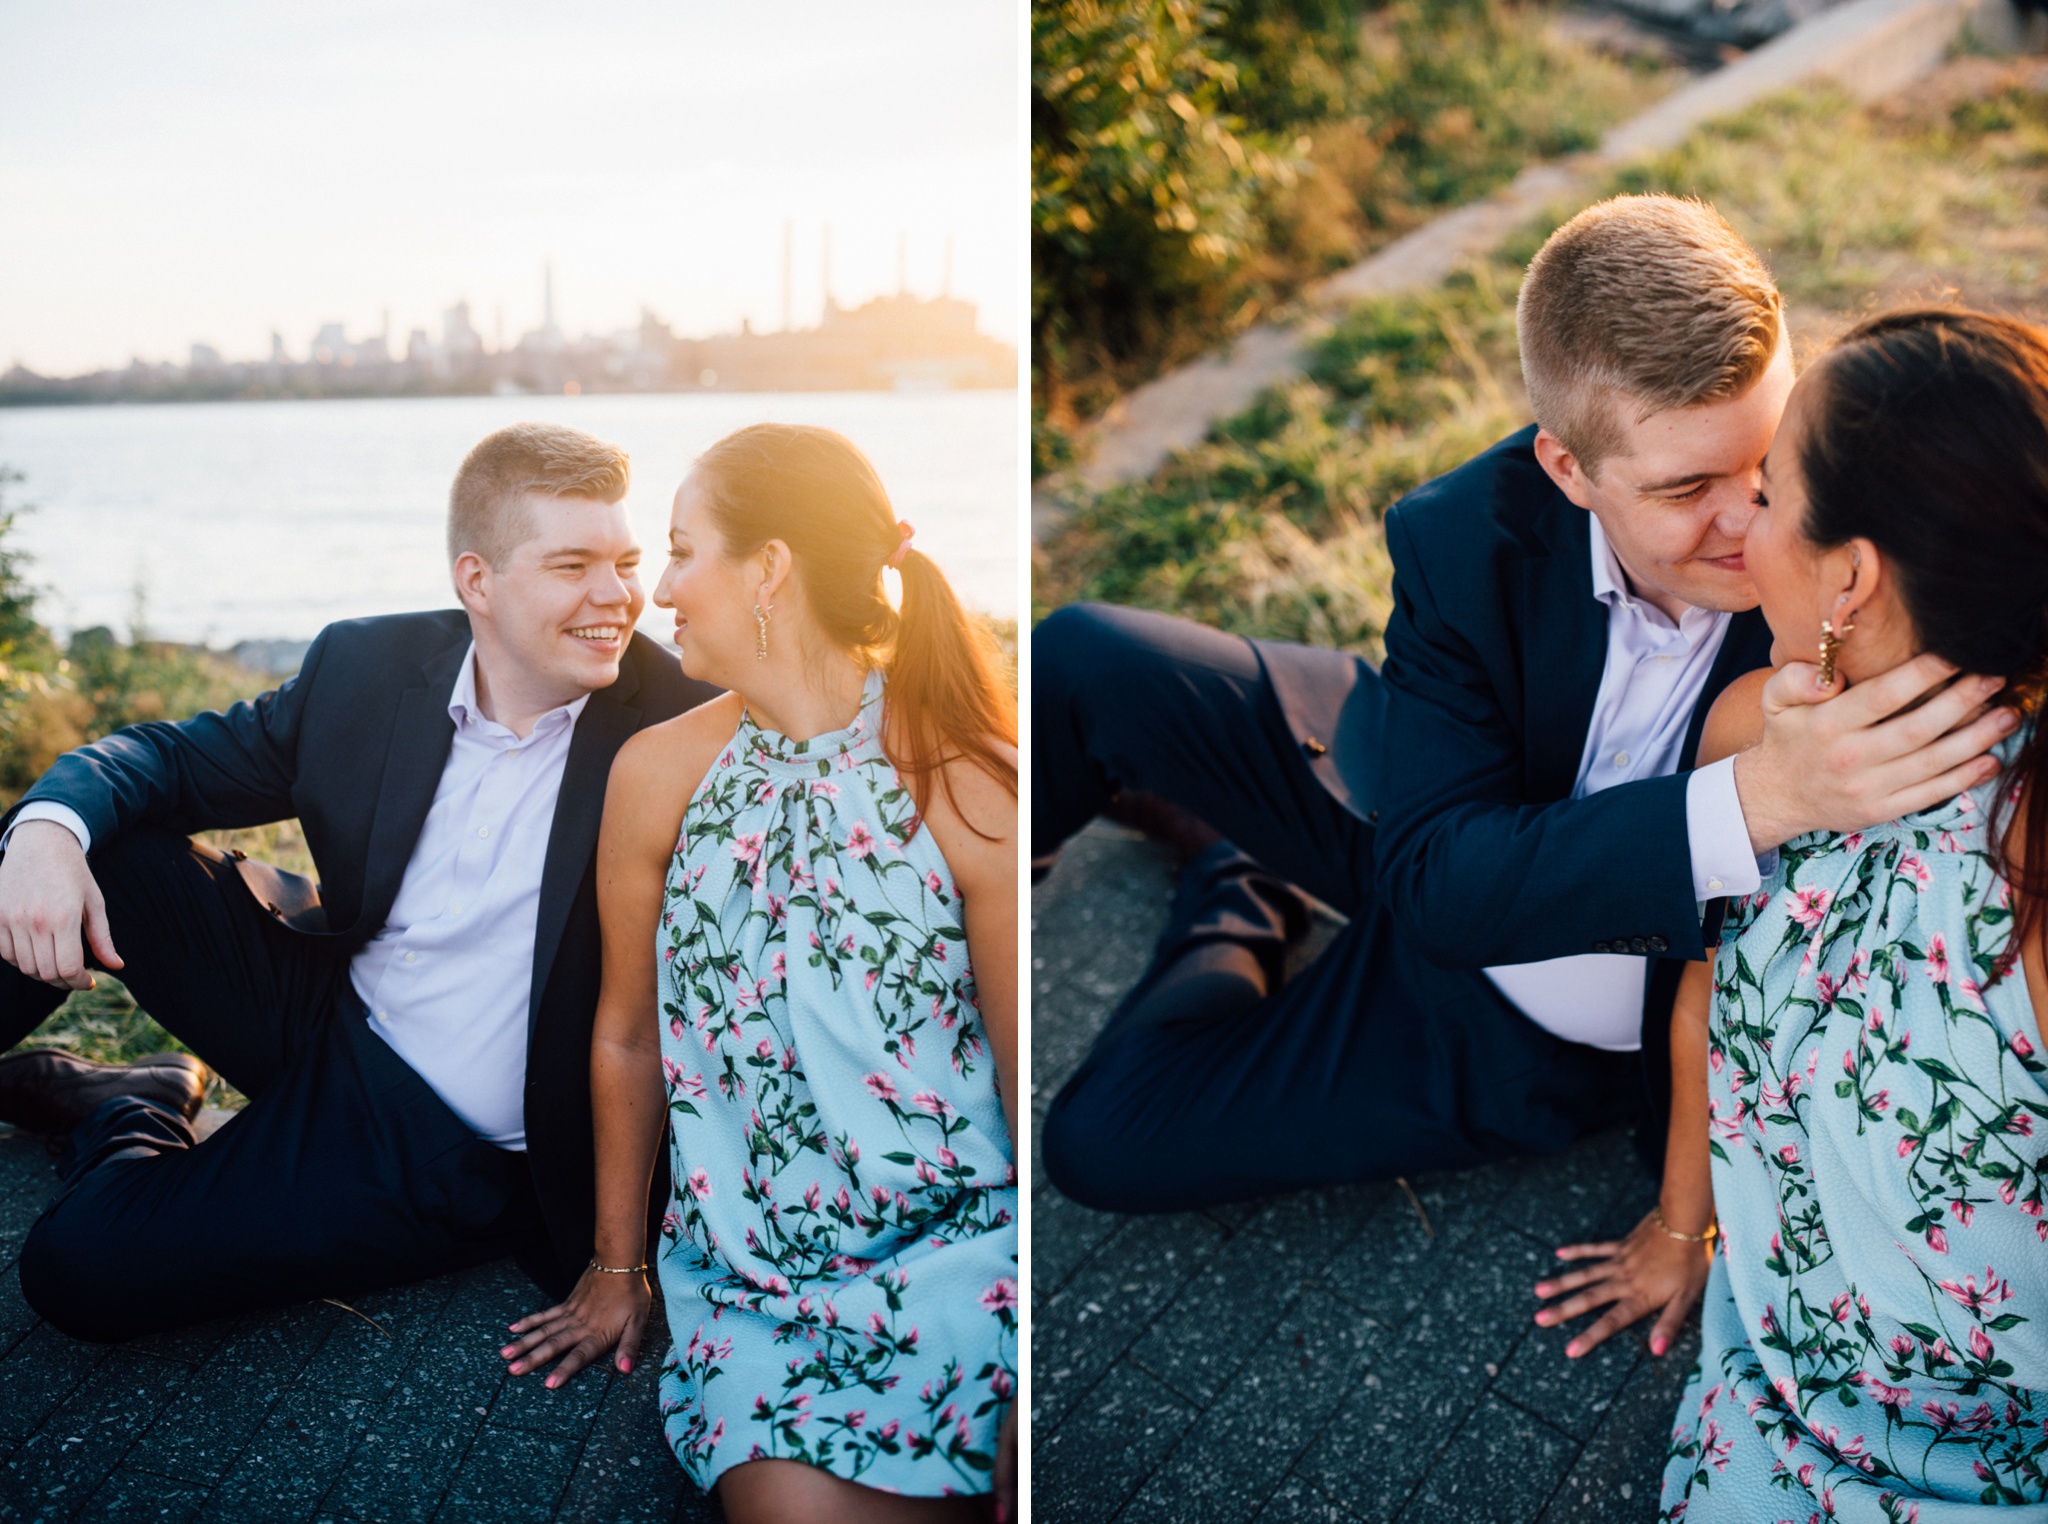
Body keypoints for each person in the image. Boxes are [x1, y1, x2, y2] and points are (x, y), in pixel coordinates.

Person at [1035, 194, 2014, 1221]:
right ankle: (997, 901)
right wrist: (1753, 799)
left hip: (1509, 1015)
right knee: (1077, 655)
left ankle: (1233, 891)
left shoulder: (1837, 550)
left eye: (1761, 465)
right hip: (1417, 820)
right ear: (1567, 468)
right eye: (1684, 490)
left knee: (1098, 1143)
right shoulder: (1461, 528)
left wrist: (1693, 1219)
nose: (1744, 524)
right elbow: (1434, 880)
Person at [0, 421, 718, 1340]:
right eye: (573, 565)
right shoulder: (367, 669)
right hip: (324, 1007)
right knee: (66, 837)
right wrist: (47, 830)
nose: (617, 596)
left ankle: (124, 1106)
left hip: (444, 1139)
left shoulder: (685, 726)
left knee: (78, 1271)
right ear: (478, 582)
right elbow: (167, 759)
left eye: (626, 561)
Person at [495, 425, 1019, 1524]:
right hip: (761, 1285)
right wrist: (615, 1265)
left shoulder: (963, 780)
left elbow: (1028, 1096)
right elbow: (627, 1034)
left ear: (769, 568)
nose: (660, 588)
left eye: (682, 552)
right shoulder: (657, 774)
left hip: (969, 1251)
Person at [1613, 308, 2048, 1518]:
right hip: (1779, 1391)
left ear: (1849, 577)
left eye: (1772, 492)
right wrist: (1676, 1225)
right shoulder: (1749, 734)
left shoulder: (2030, 864)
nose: (1737, 524)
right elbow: (1700, 995)